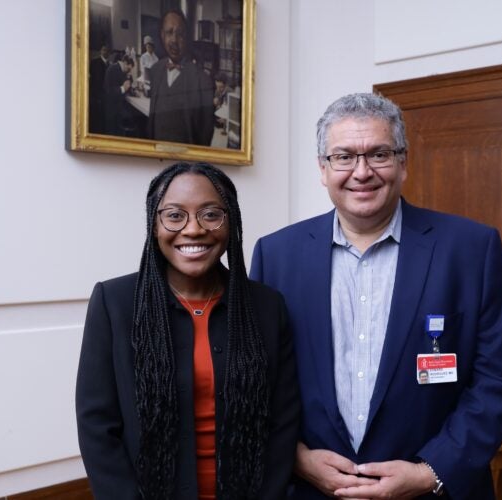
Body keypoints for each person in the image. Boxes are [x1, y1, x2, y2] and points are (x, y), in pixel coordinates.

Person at [249, 92, 502, 499]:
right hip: (310, 490)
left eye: (378, 154)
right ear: (323, 169)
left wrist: (430, 471)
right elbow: (255, 380)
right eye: (344, 156)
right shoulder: (276, 255)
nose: (361, 172)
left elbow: (499, 380)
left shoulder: (470, 249)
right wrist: (295, 457)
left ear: (403, 162)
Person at [76, 162, 300, 499]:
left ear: (231, 222)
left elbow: (282, 424)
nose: (193, 229)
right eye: (175, 215)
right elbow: (97, 425)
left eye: (211, 215)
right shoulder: (115, 303)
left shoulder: (267, 307)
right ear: (154, 225)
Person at [147, 9, 215, 146]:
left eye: (180, 34)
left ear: (186, 37)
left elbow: (205, 137)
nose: (174, 40)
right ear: (162, 35)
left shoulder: (204, 82)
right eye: (169, 32)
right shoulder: (155, 70)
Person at [103, 54, 136, 136]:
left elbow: (127, 84)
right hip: (112, 109)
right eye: (129, 68)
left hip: (118, 108)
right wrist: (122, 89)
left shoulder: (123, 70)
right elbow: (108, 91)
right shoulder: (112, 69)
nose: (129, 71)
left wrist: (131, 87)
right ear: (124, 63)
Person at [89, 45, 110, 133]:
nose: (105, 52)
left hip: (105, 96)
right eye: (103, 50)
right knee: (96, 119)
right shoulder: (94, 62)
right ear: (100, 51)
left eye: (107, 51)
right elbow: (93, 80)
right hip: (96, 95)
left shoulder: (110, 64)